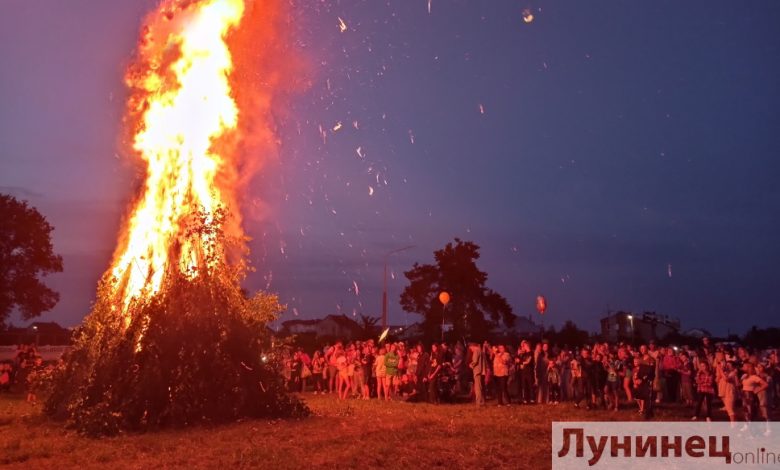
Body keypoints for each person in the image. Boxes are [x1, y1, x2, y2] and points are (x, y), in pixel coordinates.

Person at [469, 342, 486, 406]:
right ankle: (483, 401)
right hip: (482, 371)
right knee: (481, 387)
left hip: (477, 371)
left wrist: (471, 365)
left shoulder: (476, 351)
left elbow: (475, 361)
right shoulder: (481, 351)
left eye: (471, 348)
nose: (471, 350)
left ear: (472, 346)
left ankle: (478, 402)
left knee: (478, 388)